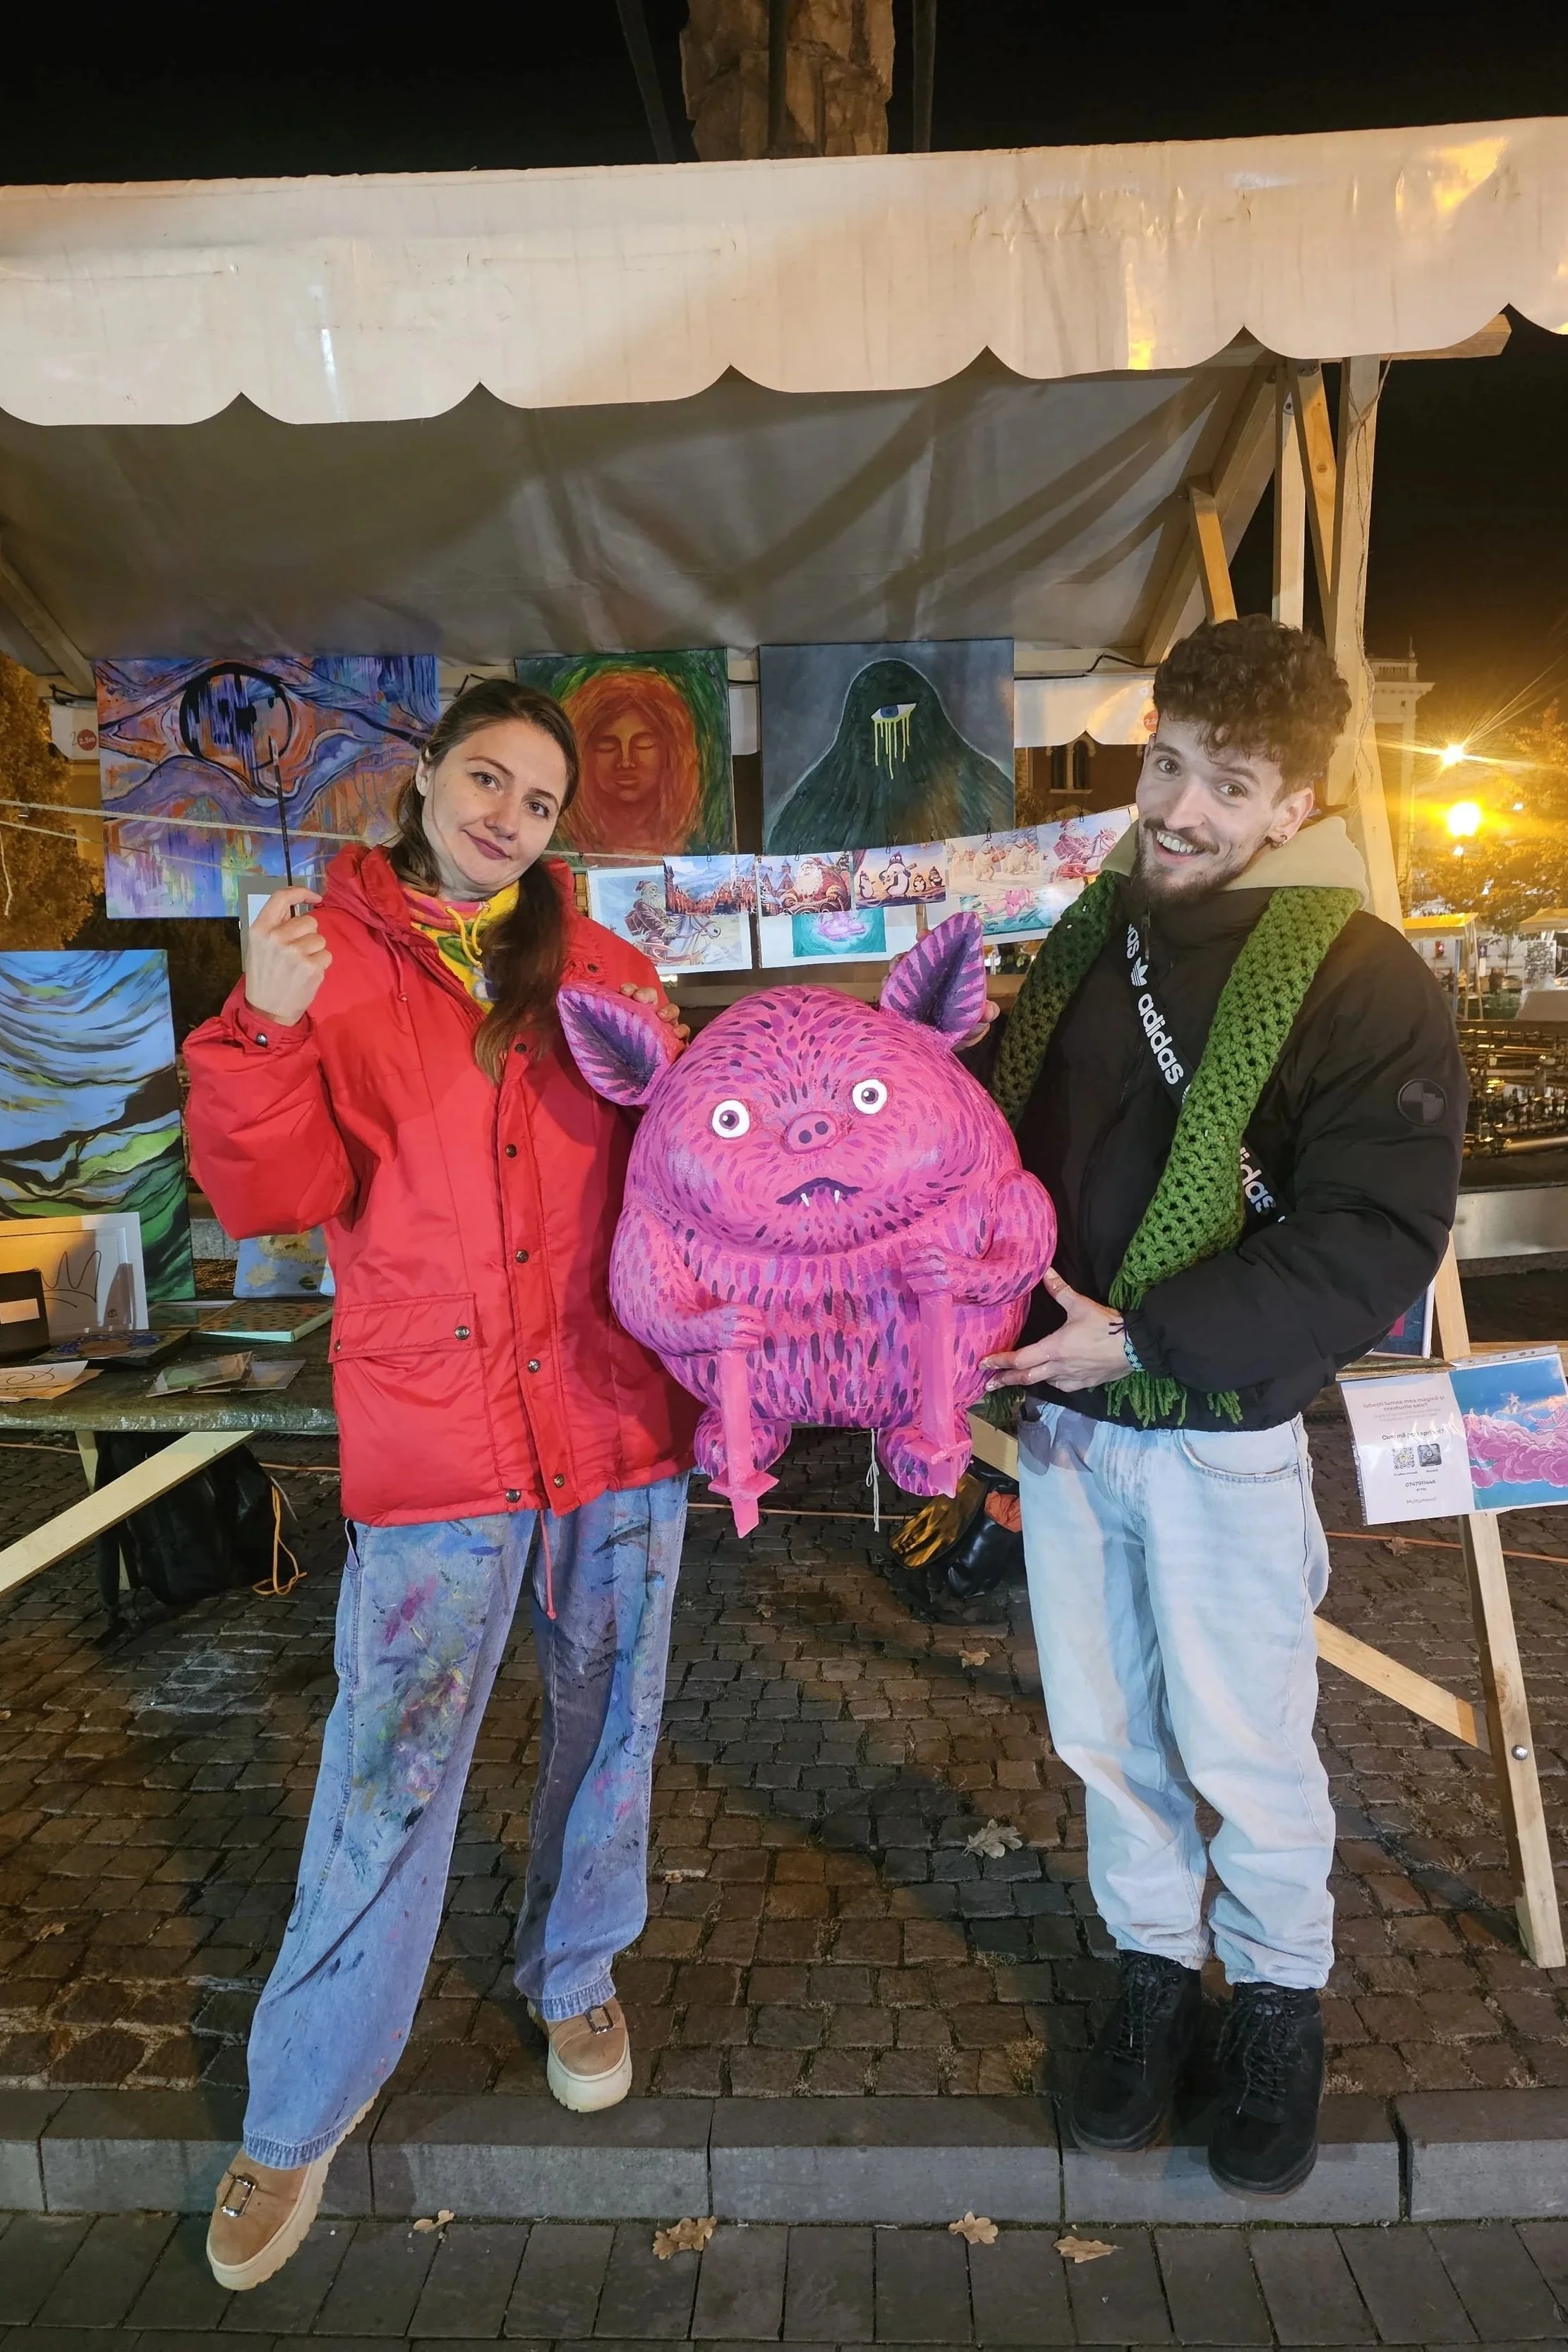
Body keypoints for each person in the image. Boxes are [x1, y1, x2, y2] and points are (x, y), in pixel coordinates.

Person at [183, 679, 698, 2291]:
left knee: (612, 1717)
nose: (507, 814)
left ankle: (576, 1964)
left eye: (539, 802)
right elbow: (268, 1193)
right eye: (486, 777)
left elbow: (689, 1175)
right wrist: (262, 1021)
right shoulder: (318, 963)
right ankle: (299, 2106)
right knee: (390, 1758)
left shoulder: (605, 972)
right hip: (439, 1433)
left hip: (617, 1421)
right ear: (421, 777)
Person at [976, 616, 1466, 2197]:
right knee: (1104, 1728)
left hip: (1216, 1430)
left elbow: (1374, 1233)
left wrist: (1147, 1338)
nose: (1177, 807)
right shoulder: (1082, 936)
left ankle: (1273, 1999)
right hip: (1063, 1426)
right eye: (1166, 760)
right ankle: (1145, 1967)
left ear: (1292, 802)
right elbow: (989, 1157)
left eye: (1226, 782)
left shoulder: (1362, 972)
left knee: (1246, 1740)